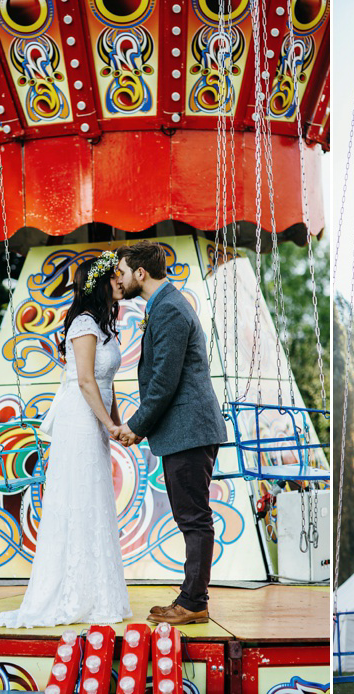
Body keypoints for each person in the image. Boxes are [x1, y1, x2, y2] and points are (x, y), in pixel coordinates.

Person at [0, 253, 131, 628]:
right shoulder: (84, 323)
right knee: (79, 496)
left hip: (96, 418)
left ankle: (94, 591)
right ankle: (69, 593)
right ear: (101, 283)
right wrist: (108, 423)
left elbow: (107, 382)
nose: (121, 281)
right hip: (80, 418)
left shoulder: (104, 324)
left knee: (95, 497)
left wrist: (119, 427)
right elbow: (86, 381)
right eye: (116, 276)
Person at [114, 241, 228, 626]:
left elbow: (164, 380)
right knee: (190, 516)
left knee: (194, 518)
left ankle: (194, 601)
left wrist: (135, 426)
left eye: (123, 271)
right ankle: (190, 597)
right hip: (185, 430)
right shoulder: (164, 305)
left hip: (189, 429)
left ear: (140, 273)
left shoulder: (171, 310)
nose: (121, 278)